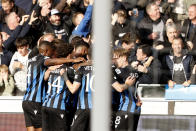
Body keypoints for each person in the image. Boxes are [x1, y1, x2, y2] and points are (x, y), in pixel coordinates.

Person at [22, 40, 84, 131]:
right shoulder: (43, 58)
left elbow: (44, 77)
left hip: (26, 100)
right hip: (36, 100)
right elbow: (52, 61)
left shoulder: (31, 60)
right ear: (46, 51)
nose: (53, 53)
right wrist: (73, 60)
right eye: (52, 51)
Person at [42, 44, 75, 131]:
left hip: (46, 106)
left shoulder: (51, 69)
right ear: (69, 55)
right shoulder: (70, 70)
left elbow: (44, 78)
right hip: (59, 108)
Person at [62, 47, 93, 131]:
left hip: (83, 108)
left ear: (88, 56)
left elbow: (73, 89)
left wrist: (65, 77)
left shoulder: (81, 69)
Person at [111, 48, 142, 131]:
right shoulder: (134, 71)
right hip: (135, 108)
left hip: (126, 108)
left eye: (115, 58)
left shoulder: (122, 71)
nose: (114, 61)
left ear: (124, 58)